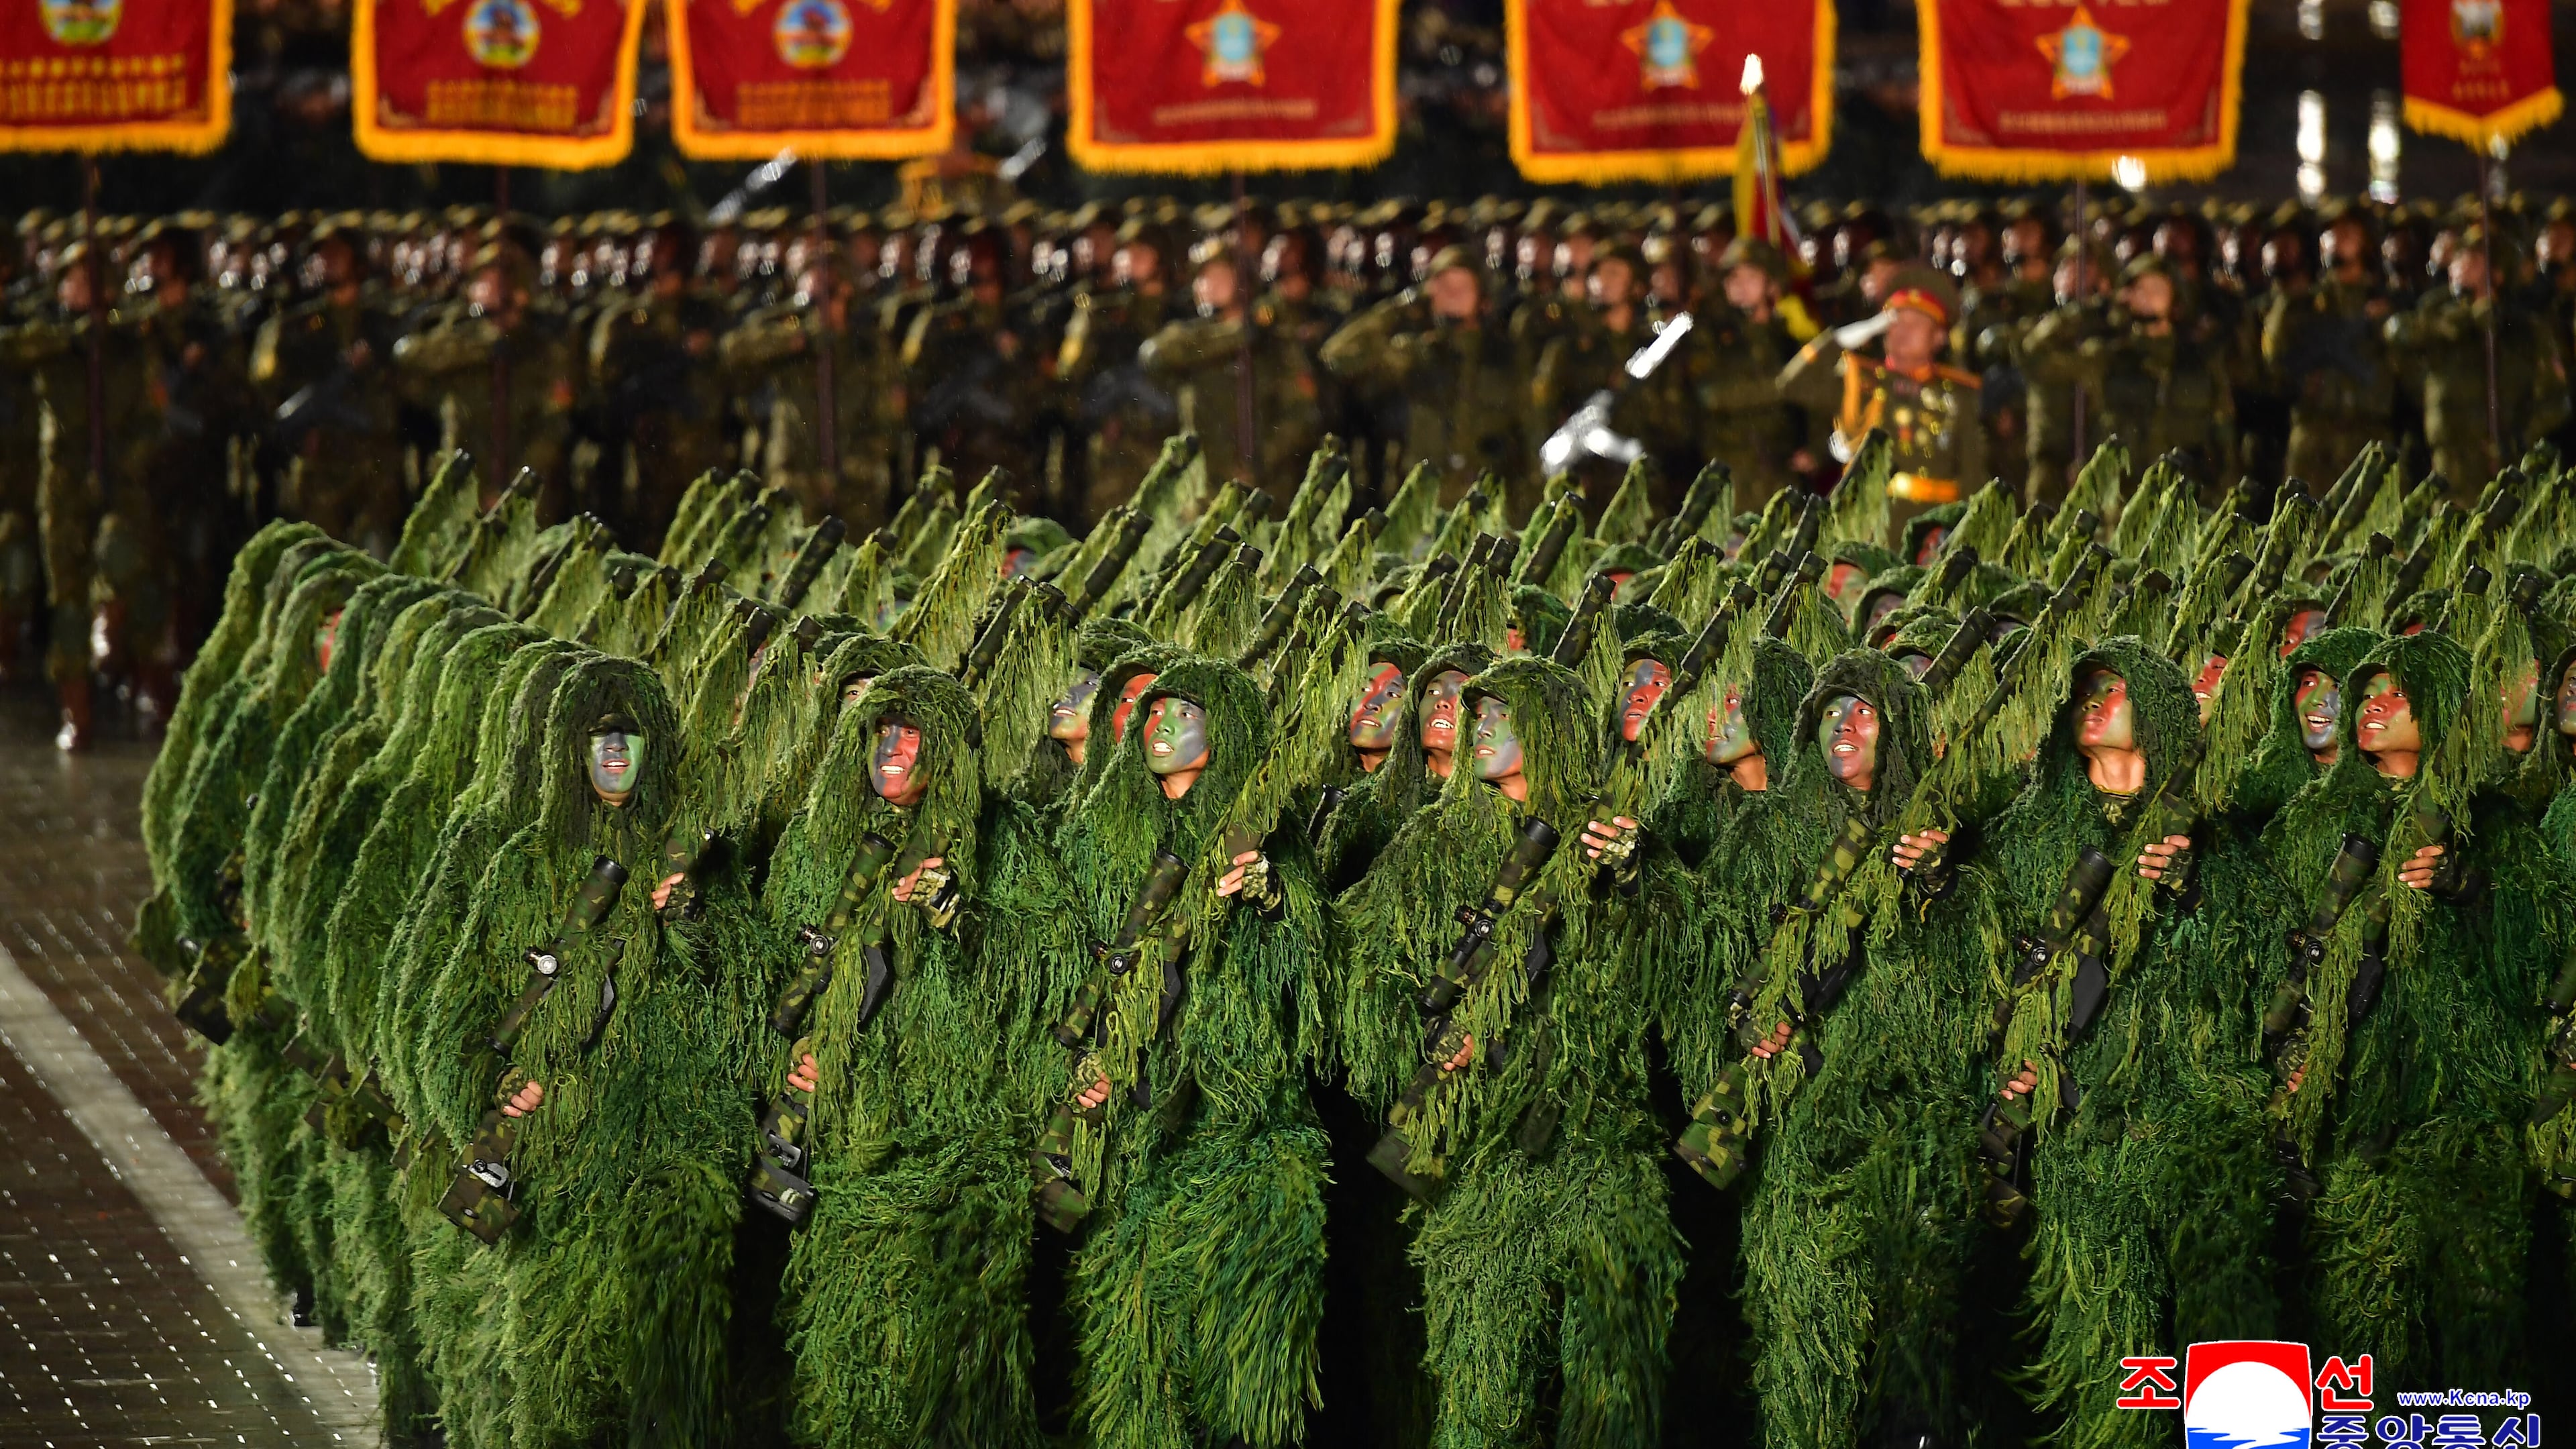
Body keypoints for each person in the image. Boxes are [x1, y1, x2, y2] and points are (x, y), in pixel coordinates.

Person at [1778, 262, 1988, 543]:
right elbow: (1791, 386)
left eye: (1916, 323)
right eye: (1896, 320)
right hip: (1865, 528)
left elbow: (1973, 473)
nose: (1903, 331)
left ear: (1938, 337)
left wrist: (1968, 537)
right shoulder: (1859, 380)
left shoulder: (1957, 394)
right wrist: (1840, 338)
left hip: (1932, 530)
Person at [1322, 246, 1536, 515]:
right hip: (1418, 510)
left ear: (1482, 296)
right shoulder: (1415, 354)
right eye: (1444, 285)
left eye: (1463, 286)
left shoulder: (1507, 359)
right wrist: (1401, 306)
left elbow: (1529, 439)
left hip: (1487, 510)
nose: (1453, 295)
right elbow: (1338, 356)